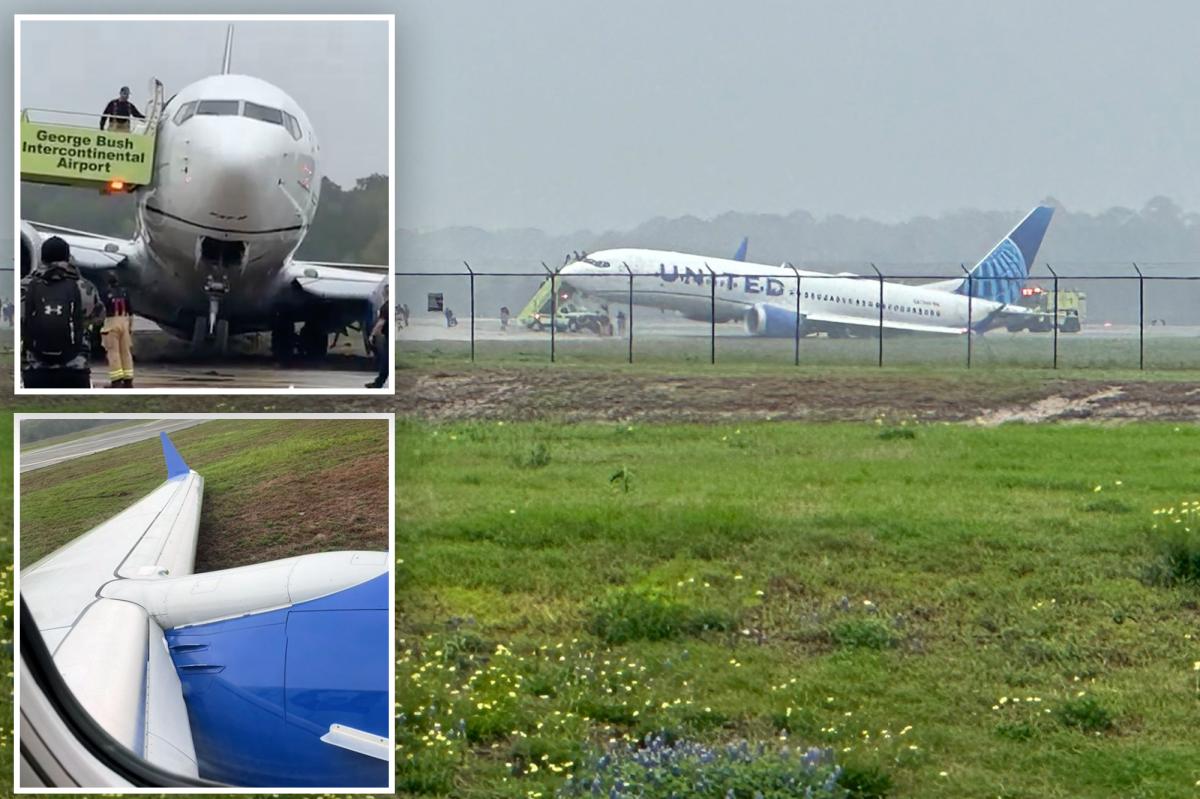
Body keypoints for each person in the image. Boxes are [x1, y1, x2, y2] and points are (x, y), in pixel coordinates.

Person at [21, 236, 105, 388]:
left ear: (42, 258)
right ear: (67, 257)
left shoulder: (26, 287)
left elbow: (20, 321)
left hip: (36, 370)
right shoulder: (85, 287)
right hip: (76, 369)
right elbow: (99, 318)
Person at [100, 273, 135, 388]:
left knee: (113, 352)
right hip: (124, 321)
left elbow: (100, 309)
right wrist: (130, 326)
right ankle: (128, 380)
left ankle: (116, 381)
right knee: (126, 352)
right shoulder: (125, 293)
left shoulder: (105, 293)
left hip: (111, 322)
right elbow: (131, 310)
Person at [365, 300, 389, 389]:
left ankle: (378, 383)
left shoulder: (387, 306)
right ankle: (379, 382)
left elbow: (381, 323)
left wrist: (372, 334)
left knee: (386, 361)